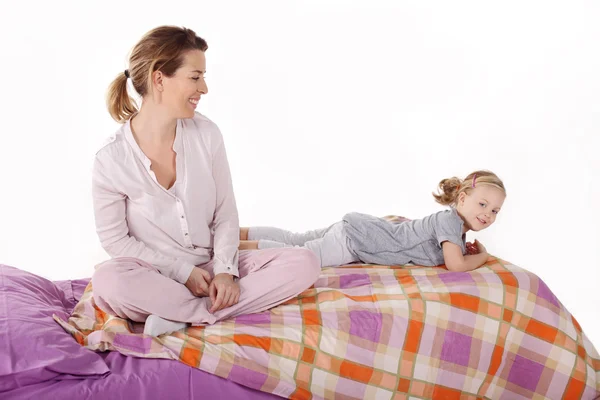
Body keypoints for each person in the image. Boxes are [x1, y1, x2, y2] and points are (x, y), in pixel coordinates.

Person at [91, 26, 320, 337]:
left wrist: (226, 271)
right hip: (155, 274)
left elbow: (225, 213)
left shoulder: (207, 134)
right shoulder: (111, 158)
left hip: (212, 265)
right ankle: (199, 311)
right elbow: (116, 241)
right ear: (160, 78)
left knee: (304, 262)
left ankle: (179, 314)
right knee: (108, 280)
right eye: (195, 77)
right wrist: (182, 273)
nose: (204, 88)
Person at [240, 170, 506, 272]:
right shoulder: (449, 222)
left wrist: (464, 247)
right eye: (482, 204)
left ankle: (236, 233)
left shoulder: (454, 227)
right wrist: (483, 256)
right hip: (358, 241)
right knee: (299, 254)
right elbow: (456, 265)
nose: (487, 214)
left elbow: (452, 254)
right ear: (461, 199)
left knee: (296, 238)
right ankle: (235, 247)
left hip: (359, 229)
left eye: (495, 211)